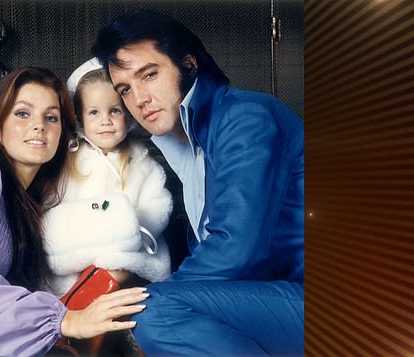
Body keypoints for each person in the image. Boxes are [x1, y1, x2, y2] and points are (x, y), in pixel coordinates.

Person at [92, 9, 304, 356]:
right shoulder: (190, 152)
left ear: (188, 64)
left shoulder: (245, 118)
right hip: (277, 303)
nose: (139, 99)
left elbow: (236, 249)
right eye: (126, 89)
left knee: (153, 312)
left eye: (149, 74)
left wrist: (146, 299)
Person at [0, 67, 149, 356]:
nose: (39, 126)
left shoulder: (32, 198)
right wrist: (66, 320)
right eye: (22, 113)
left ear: (64, 134)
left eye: (51, 117)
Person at [43, 58, 172, 297]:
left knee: (120, 274)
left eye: (114, 110)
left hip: (128, 251)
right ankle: (79, 313)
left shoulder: (141, 162)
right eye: (94, 112)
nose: (106, 121)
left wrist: (131, 227)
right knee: (64, 280)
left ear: (129, 116)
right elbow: (53, 208)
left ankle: (115, 315)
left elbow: (158, 204)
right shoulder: (68, 161)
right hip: (77, 252)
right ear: (80, 119)